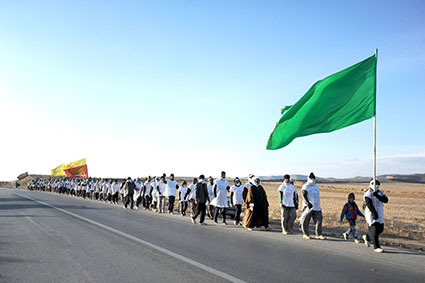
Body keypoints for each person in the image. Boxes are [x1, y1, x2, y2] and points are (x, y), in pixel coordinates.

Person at [362, 179, 388, 253]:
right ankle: (376, 247)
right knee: (374, 229)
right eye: (374, 184)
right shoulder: (368, 193)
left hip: (379, 214)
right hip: (371, 214)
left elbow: (385, 200)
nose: (376, 185)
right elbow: (368, 203)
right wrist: (373, 213)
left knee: (380, 229)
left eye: (377, 184)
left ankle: (367, 237)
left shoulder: (380, 192)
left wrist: (377, 196)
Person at [300, 173, 325, 240]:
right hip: (309, 207)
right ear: (309, 178)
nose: (313, 180)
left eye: (313, 178)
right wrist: (307, 203)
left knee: (319, 220)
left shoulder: (316, 186)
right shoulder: (306, 186)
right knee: (305, 221)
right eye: (311, 178)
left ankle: (319, 234)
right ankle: (305, 234)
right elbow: (303, 195)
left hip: (317, 206)